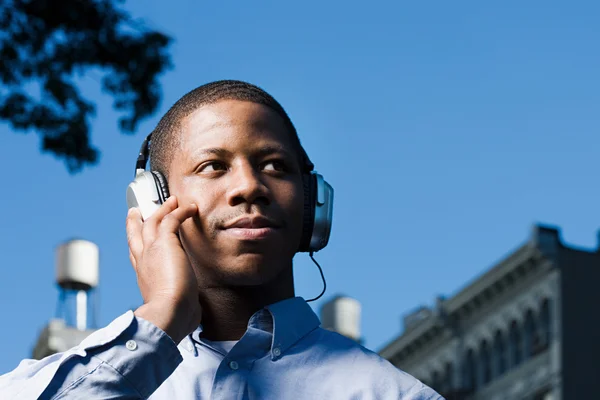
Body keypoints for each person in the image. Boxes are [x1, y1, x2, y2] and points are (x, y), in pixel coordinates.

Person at [0, 80, 443, 399]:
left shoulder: (393, 393)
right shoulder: (71, 379)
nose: (249, 186)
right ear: (156, 204)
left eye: (274, 165)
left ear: (312, 204)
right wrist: (162, 318)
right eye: (213, 166)